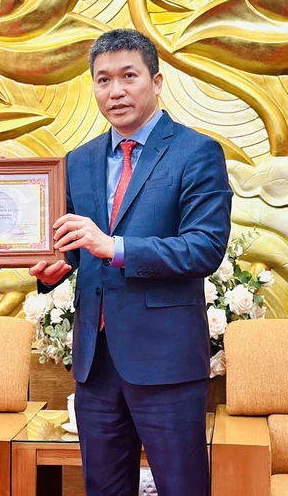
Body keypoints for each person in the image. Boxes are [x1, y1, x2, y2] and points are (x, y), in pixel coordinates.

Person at [30, 29, 232, 496]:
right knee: (102, 489)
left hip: (166, 363)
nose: (115, 90)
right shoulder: (77, 161)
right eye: (103, 80)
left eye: (128, 76)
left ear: (157, 81)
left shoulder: (196, 153)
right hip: (95, 364)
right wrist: (49, 267)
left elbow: (204, 247)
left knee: (182, 487)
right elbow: (70, 249)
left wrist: (115, 247)